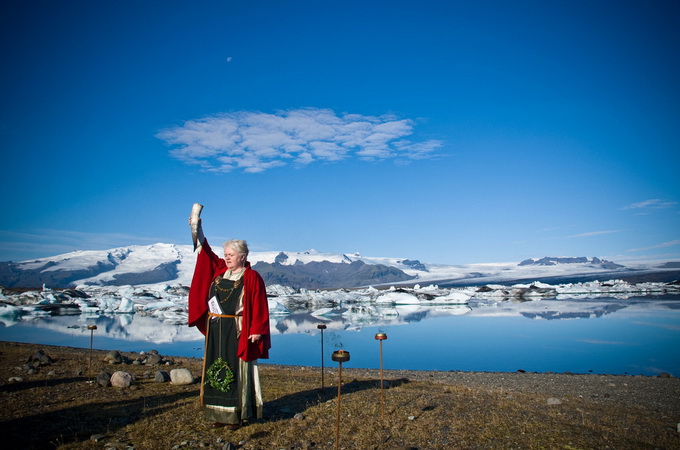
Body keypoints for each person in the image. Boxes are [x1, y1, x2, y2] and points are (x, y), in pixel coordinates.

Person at [188, 218, 271, 430]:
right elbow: (205, 253)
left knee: (237, 370)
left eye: (231, 255)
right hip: (217, 330)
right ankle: (218, 412)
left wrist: (257, 330)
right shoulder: (219, 272)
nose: (227, 258)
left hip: (238, 330)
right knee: (215, 367)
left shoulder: (252, 277)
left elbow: (260, 305)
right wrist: (198, 229)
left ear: (242, 257)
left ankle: (238, 414)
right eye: (225, 255)